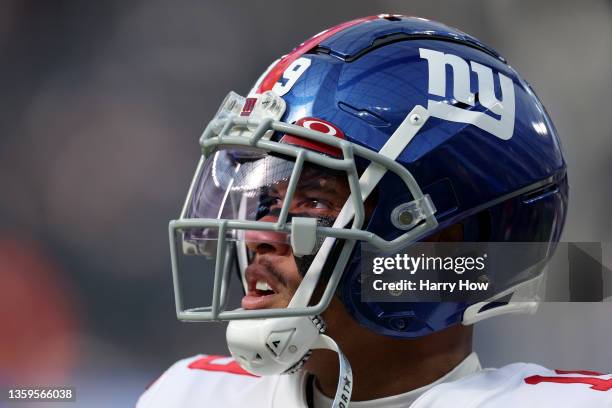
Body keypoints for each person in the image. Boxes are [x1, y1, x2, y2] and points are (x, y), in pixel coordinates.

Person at [137, 15, 611, 407]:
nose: (262, 234)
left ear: (437, 249)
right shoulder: (189, 395)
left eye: (316, 200)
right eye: (266, 201)